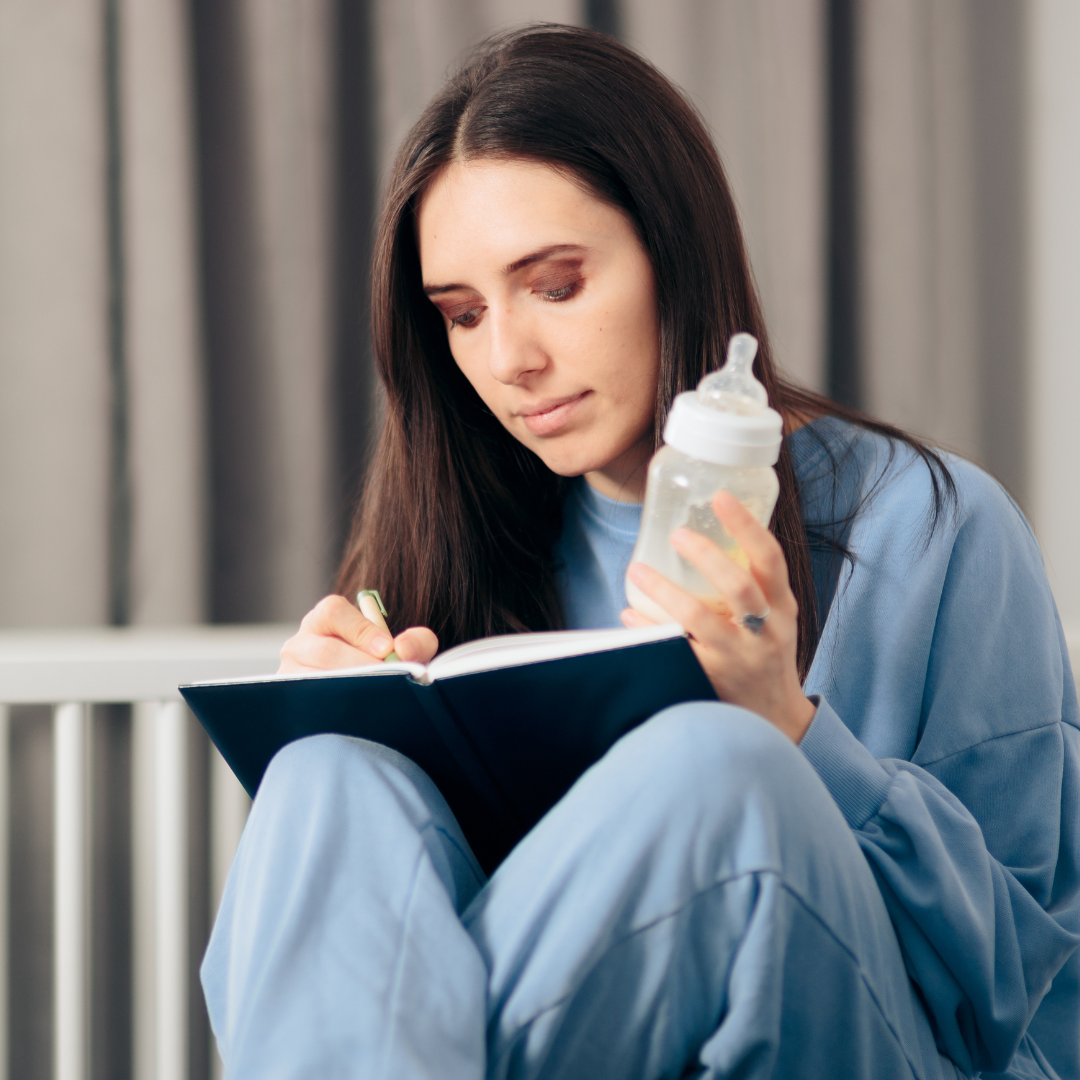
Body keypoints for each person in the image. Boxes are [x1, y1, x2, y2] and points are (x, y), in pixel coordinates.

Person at [200, 25, 1080, 1080]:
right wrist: (347, 722)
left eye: (557, 286)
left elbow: (1013, 992)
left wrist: (791, 729)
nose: (510, 361)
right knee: (325, 776)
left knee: (716, 763)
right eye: (465, 315)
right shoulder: (466, 539)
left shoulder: (932, 528)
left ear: (674, 248)